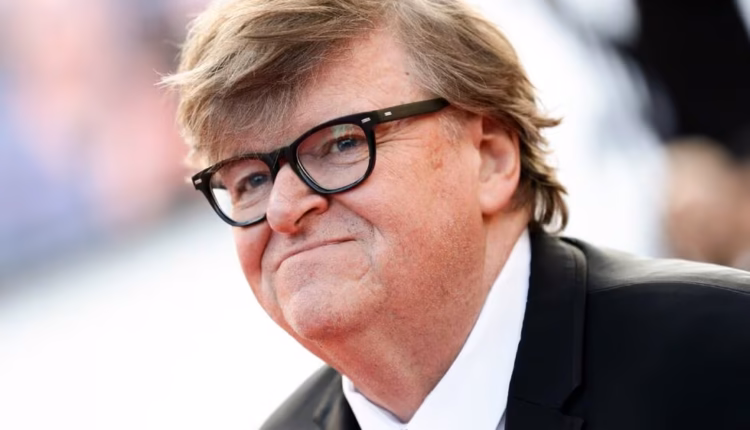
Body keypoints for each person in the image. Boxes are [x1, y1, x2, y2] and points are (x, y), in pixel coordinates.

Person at [163, 0, 750, 428]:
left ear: (491, 159)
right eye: (251, 180)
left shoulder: (723, 357)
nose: (284, 209)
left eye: (341, 143)